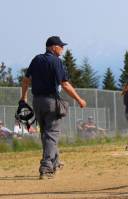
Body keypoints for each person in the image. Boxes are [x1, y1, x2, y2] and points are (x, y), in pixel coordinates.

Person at [20, 36, 87, 180]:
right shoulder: (56, 61)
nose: (62, 49)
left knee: (46, 135)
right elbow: (65, 84)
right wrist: (79, 99)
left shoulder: (36, 59)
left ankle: (55, 162)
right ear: (53, 47)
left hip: (37, 101)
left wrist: (24, 97)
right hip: (51, 101)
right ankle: (46, 167)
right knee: (51, 134)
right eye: (60, 46)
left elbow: (26, 79)